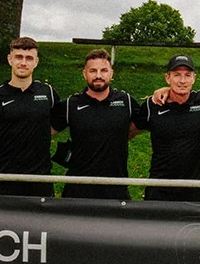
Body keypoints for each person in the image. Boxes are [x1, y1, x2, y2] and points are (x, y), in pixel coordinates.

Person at [51, 49, 141, 200]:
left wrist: (164, 91)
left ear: (111, 73)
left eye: (104, 70)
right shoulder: (70, 105)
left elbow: (146, 121)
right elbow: (41, 133)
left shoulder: (126, 101)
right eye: (93, 70)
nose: (98, 75)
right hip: (78, 189)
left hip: (116, 188)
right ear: (84, 73)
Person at [0, 36, 61, 196]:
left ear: (36, 62)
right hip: (5, 179)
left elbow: (63, 119)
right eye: (18, 57)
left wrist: (40, 131)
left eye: (29, 58)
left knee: (41, 222)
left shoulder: (47, 92)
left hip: (40, 180)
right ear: (10, 59)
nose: (23, 62)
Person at [134, 54, 200, 202]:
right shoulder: (152, 105)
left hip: (195, 188)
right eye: (177, 75)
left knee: (198, 226)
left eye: (187, 75)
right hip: (159, 188)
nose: (182, 81)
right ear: (167, 78)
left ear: (194, 78)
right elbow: (127, 131)